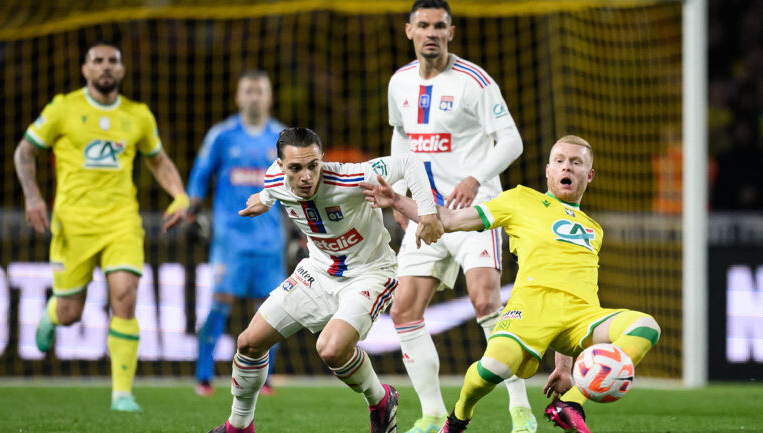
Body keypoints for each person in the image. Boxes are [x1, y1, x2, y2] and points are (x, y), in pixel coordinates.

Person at [362, 135, 662, 433]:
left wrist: (564, 367)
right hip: (529, 311)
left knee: (646, 327)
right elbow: (450, 219)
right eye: (559, 161)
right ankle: (458, 418)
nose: (566, 168)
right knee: (493, 370)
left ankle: (570, 402)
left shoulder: (593, 230)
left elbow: (581, 287)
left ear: (589, 174)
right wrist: (398, 201)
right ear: (548, 170)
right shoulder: (521, 200)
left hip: (580, 316)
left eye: (575, 162)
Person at [206, 127, 445, 433]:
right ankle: (239, 426)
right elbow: (270, 190)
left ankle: (381, 399)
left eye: (313, 165)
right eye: (295, 168)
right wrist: (265, 200)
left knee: (330, 349)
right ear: (280, 167)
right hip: (318, 271)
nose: (306, 176)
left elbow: (410, 162)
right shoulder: (273, 180)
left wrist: (427, 213)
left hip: (369, 273)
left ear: (321, 161)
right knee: (249, 343)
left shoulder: (351, 177)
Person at [13, 41, 189, 412]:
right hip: (72, 225)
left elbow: (158, 161)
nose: (106, 67)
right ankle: (51, 314)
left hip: (122, 221)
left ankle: (122, 394)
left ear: (123, 70)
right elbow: (25, 151)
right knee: (70, 313)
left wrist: (179, 195)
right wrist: (32, 197)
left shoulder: (138, 115)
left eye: (113, 61)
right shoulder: (63, 108)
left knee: (125, 296)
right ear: (85, 70)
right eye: (98, 61)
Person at [387, 1, 534, 432]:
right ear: (409, 31)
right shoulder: (399, 83)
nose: (431, 33)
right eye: (423, 26)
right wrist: (399, 194)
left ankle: (520, 410)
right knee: (403, 309)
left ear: (451, 33)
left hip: (474, 210)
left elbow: (512, 141)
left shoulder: (475, 81)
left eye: (440, 26)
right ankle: (432, 413)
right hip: (424, 211)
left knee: (486, 299)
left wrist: (474, 178)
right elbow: (400, 136)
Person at [187, 70, 286, 397]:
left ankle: (265, 379)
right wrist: (192, 212)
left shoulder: (283, 139)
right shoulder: (222, 135)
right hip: (230, 240)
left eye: (260, 90)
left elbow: (300, 186)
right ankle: (204, 376)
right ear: (238, 97)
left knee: (272, 312)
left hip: (271, 241)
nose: (254, 96)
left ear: (270, 97)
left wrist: (301, 232)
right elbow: (200, 176)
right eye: (249, 90)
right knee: (220, 303)